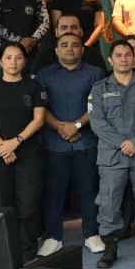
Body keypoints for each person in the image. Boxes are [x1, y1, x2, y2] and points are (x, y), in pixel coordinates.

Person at [88, 39, 135, 268]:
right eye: (118, 55)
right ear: (110, 60)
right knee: (109, 201)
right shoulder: (99, 88)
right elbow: (97, 122)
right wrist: (123, 143)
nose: (123, 59)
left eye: (127, 55)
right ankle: (110, 247)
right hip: (112, 156)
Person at [35, 32, 105, 256]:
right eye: (64, 45)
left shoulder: (95, 73)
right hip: (55, 142)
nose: (70, 48)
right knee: (54, 191)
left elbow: (97, 105)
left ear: (82, 50)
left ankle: (91, 234)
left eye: (75, 45)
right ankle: (53, 237)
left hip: (86, 140)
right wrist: (60, 127)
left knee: (89, 189)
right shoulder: (44, 75)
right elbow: (39, 108)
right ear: (56, 50)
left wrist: (76, 126)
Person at [0, 43, 47, 260]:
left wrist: (15, 142)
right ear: (0, 61)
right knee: (0, 205)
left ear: (24, 61)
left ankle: (28, 255)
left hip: (28, 153)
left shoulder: (33, 86)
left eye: (18, 58)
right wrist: (3, 146)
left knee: (28, 205)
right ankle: (4, 254)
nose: (13, 62)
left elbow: (39, 119)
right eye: (8, 58)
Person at [47, 0, 106, 68]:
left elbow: (100, 26)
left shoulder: (94, 0)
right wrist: (70, 45)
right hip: (67, 47)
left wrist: (86, 45)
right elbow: (57, 25)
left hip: (90, 45)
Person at [35, 12, 106, 72]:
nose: (69, 31)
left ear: (81, 32)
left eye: (74, 27)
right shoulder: (45, 55)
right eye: (64, 28)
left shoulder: (93, 55)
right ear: (56, 32)